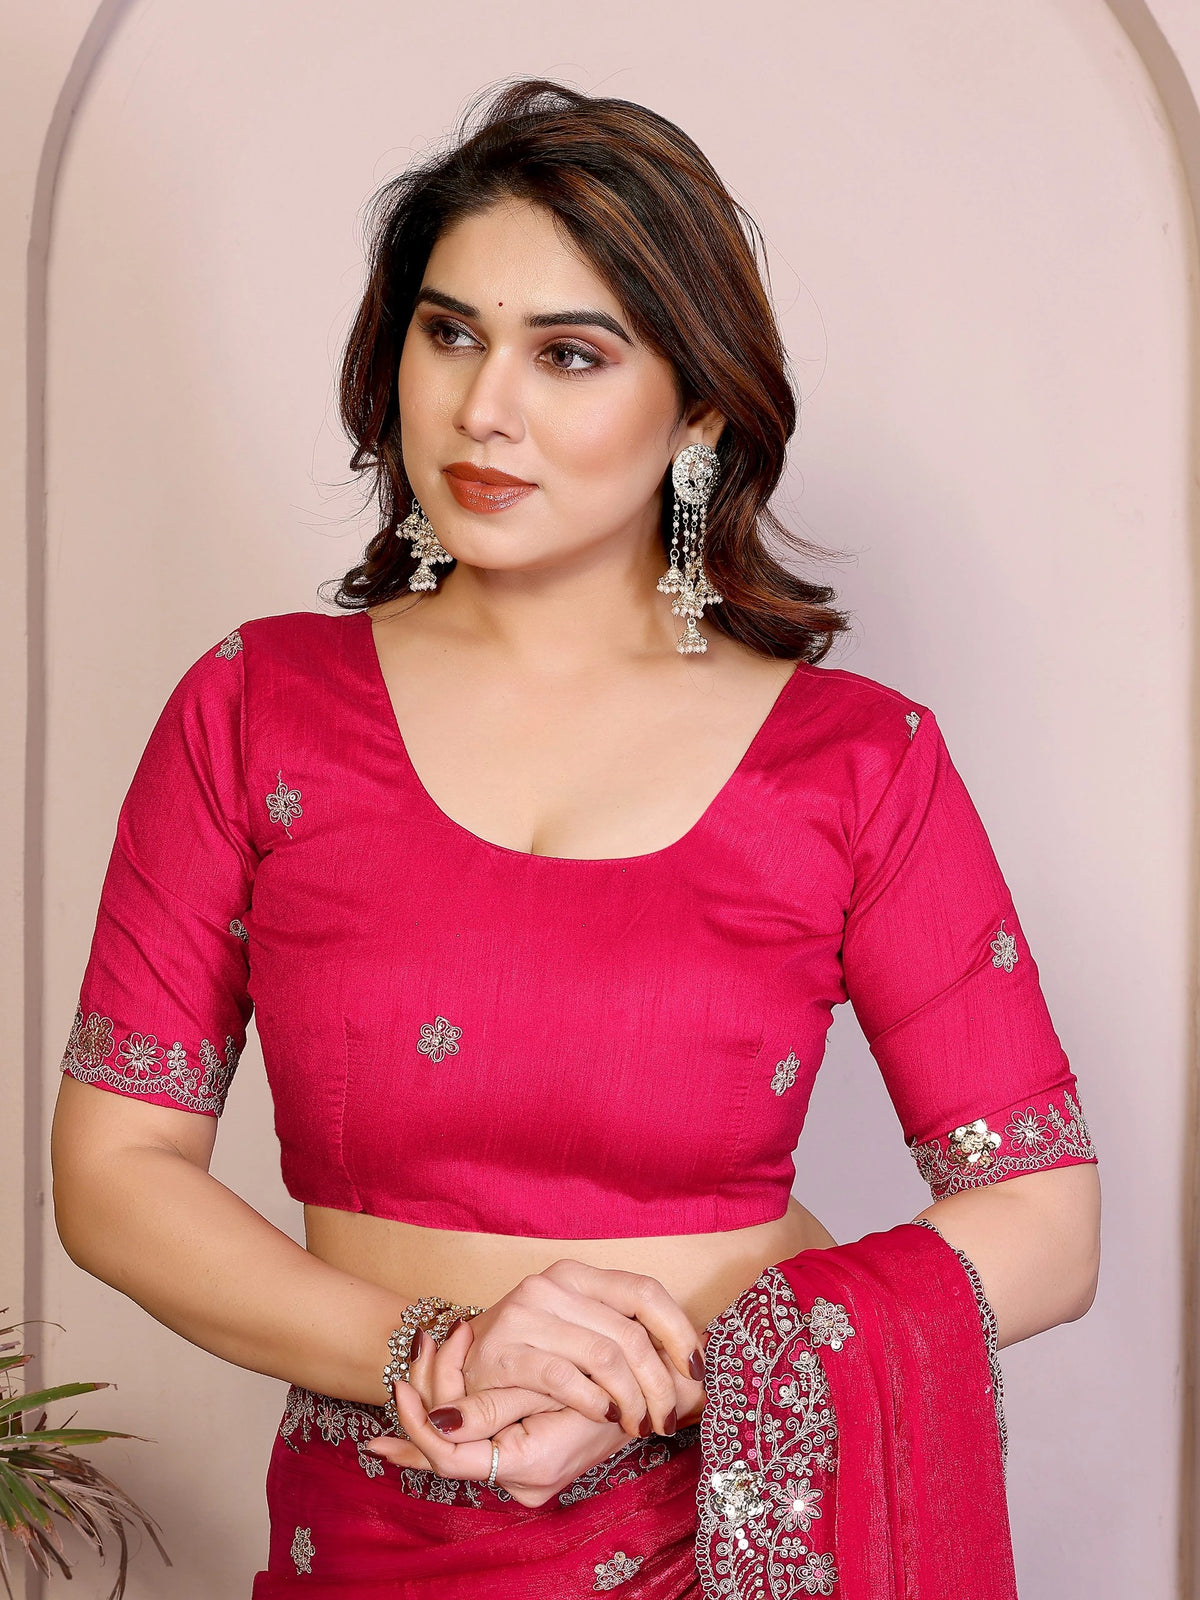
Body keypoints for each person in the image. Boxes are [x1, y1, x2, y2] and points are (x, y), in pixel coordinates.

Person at [49, 78, 1101, 1598]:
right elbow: (116, 1169)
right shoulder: (258, 709)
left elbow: (1047, 1223)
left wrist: (675, 1376)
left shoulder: (856, 762)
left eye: (570, 354)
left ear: (699, 411)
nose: (485, 408)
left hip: (724, 1533)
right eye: (450, 333)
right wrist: (438, 1350)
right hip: (371, 1535)